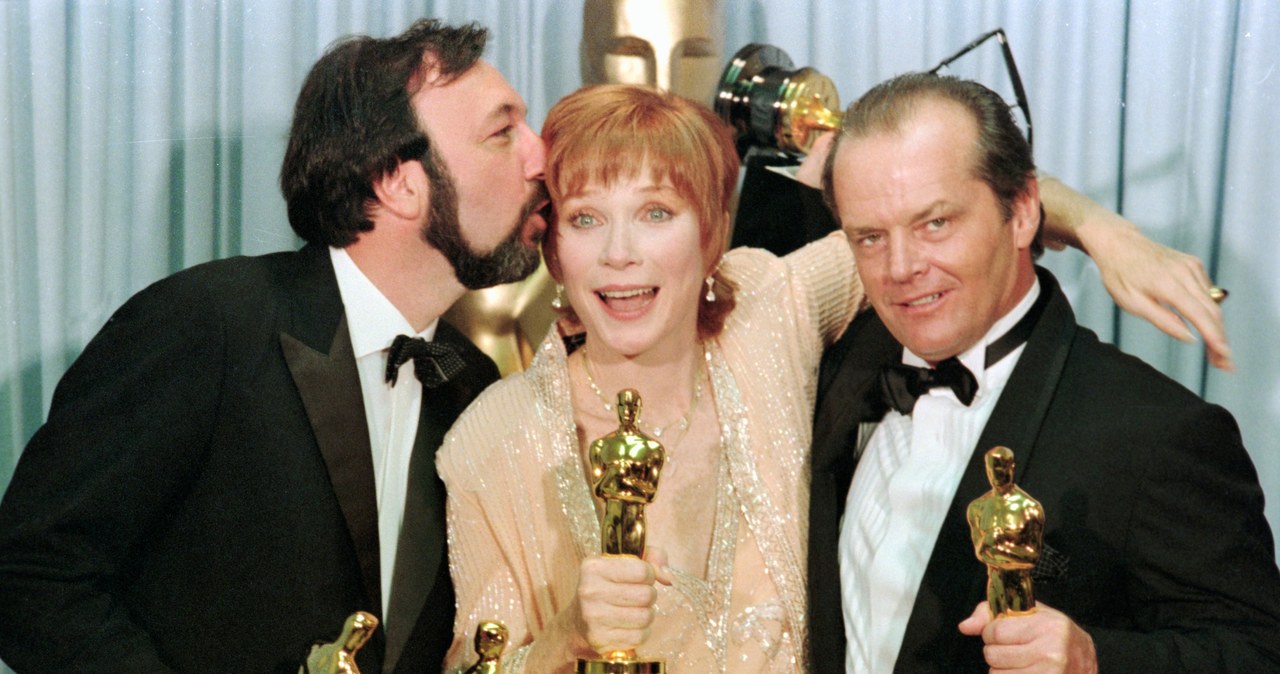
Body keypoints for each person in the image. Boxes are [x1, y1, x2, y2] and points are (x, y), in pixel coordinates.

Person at [436, 83, 1233, 673]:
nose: (619, 254)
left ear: (711, 235)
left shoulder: (771, 313)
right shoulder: (490, 440)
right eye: (584, 219)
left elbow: (931, 184)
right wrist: (567, 634)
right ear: (552, 248)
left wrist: (1102, 230)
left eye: (656, 212)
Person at [0, 19, 546, 673]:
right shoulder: (208, 325)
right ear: (396, 182)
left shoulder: (471, 382)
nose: (539, 155)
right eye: (501, 131)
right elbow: (29, 571)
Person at [808, 72, 1280, 672]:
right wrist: (1095, 228)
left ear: (1024, 210)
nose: (900, 268)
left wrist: (1094, 660)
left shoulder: (1157, 433)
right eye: (870, 237)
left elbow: (1258, 654)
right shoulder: (838, 364)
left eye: (936, 224)